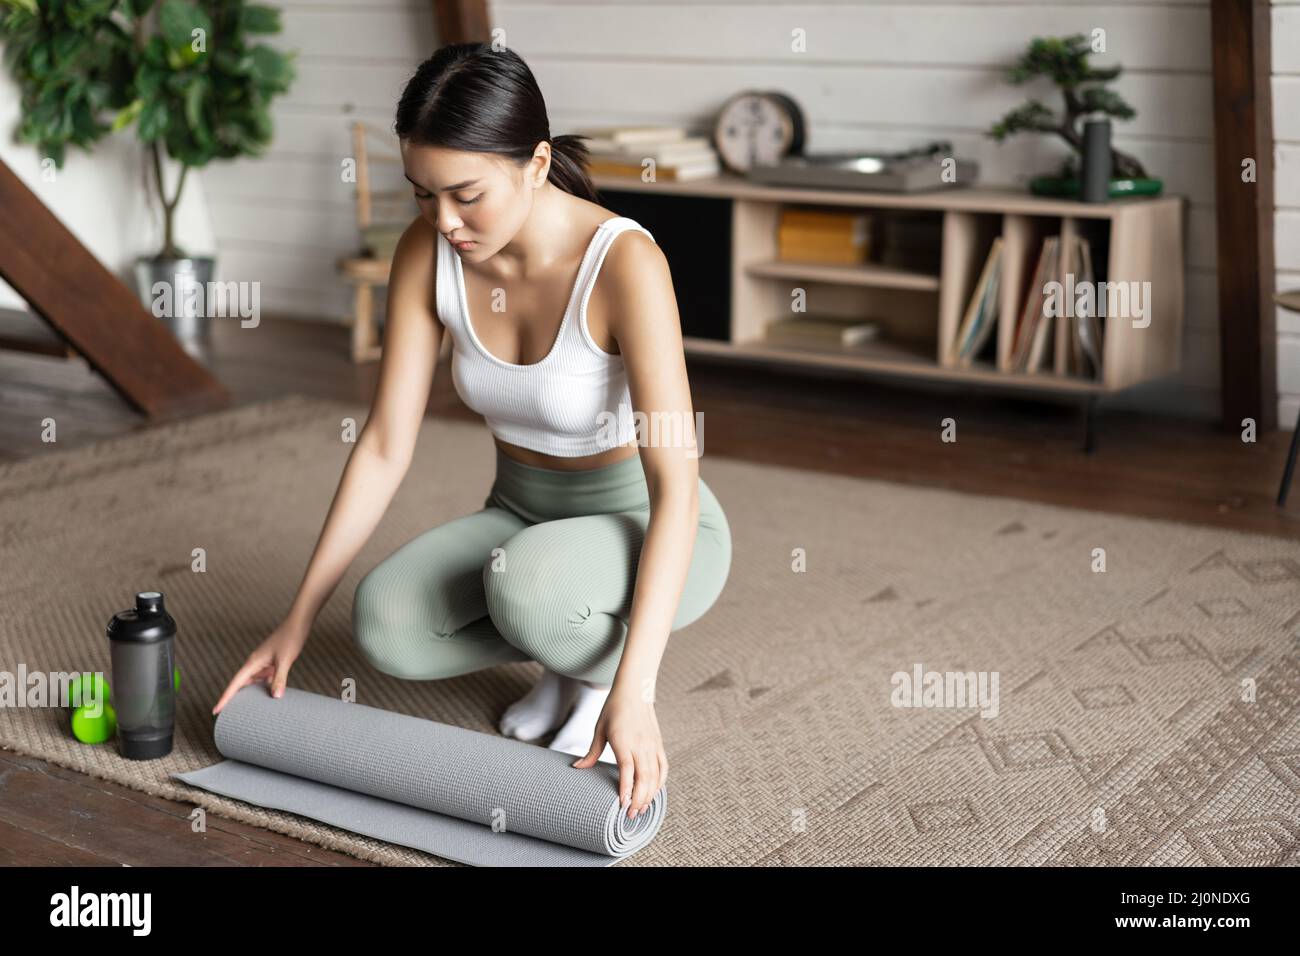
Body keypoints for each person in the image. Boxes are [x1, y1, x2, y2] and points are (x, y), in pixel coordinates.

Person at [213, 42, 731, 823]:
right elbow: (387, 443)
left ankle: (592, 670)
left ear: (535, 162)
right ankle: (563, 649)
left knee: (529, 587)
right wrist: (296, 617)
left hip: (644, 520)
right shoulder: (427, 249)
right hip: (520, 513)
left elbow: (676, 489)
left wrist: (637, 692)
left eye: (465, 194)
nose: (444, 221)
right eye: (423, 194)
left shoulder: (625, 264)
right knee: (386, 624)